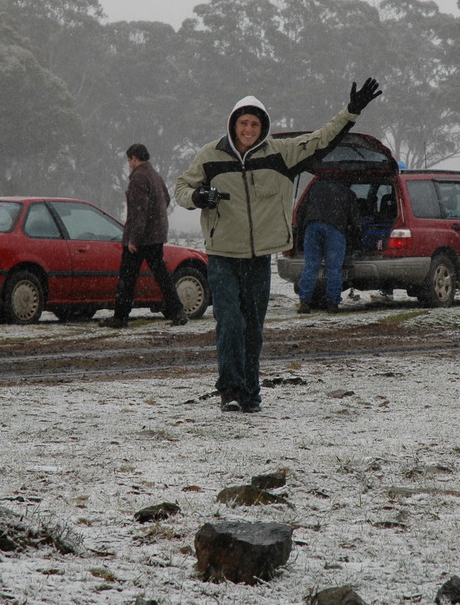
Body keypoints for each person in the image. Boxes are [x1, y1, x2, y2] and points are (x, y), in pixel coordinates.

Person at [175, 78, 382, 413]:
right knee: (230, 322)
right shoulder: (210, 156)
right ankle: (229, 389)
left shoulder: (280, 155)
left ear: (263, 126)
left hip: (258, 258)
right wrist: (198, 196)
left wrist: (351, 111)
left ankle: (250, 394)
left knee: (253, 329)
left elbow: (321, 139)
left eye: (255, 124)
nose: (248, 129)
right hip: (222, 255)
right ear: (233, 124)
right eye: (243, 123)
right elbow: (182, 187)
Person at [99, 144, 188, 329]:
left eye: (128, 160)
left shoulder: (139, 177)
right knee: (162, 275)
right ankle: (177, 311)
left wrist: (134, 239)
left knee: (127, 278)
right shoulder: (155, 175)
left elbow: (139, 211)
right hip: (156, 236)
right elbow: (166, 199)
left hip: (141, 237)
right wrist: (157, 220)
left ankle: (120, 317)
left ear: (133, 158)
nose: (129, 164)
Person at [295, 178, 361, 313]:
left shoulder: (314, 187)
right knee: (334, 268)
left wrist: (301, 230)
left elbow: (300, 211)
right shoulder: (348, 193)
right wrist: (357, 236)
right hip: (335, 228)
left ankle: (305, 302)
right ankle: (332, 303)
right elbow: (355, 220)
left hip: (312, 226)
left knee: (311, 265)